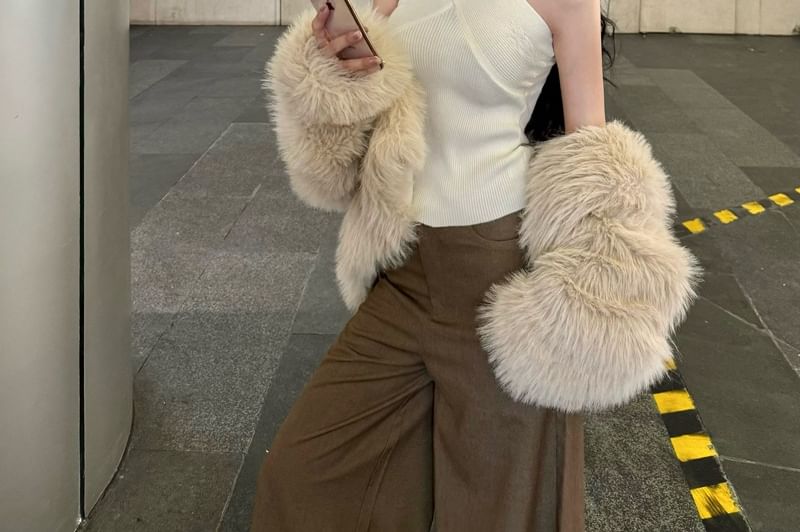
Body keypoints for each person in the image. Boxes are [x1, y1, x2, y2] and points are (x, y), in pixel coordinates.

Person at [250, 0, 699, 530]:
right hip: (402, 269)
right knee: (306, 471)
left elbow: (593, 156)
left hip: (495, 270)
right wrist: (331, 73)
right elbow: (355, 144)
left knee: (502, 508)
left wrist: (580, 312)